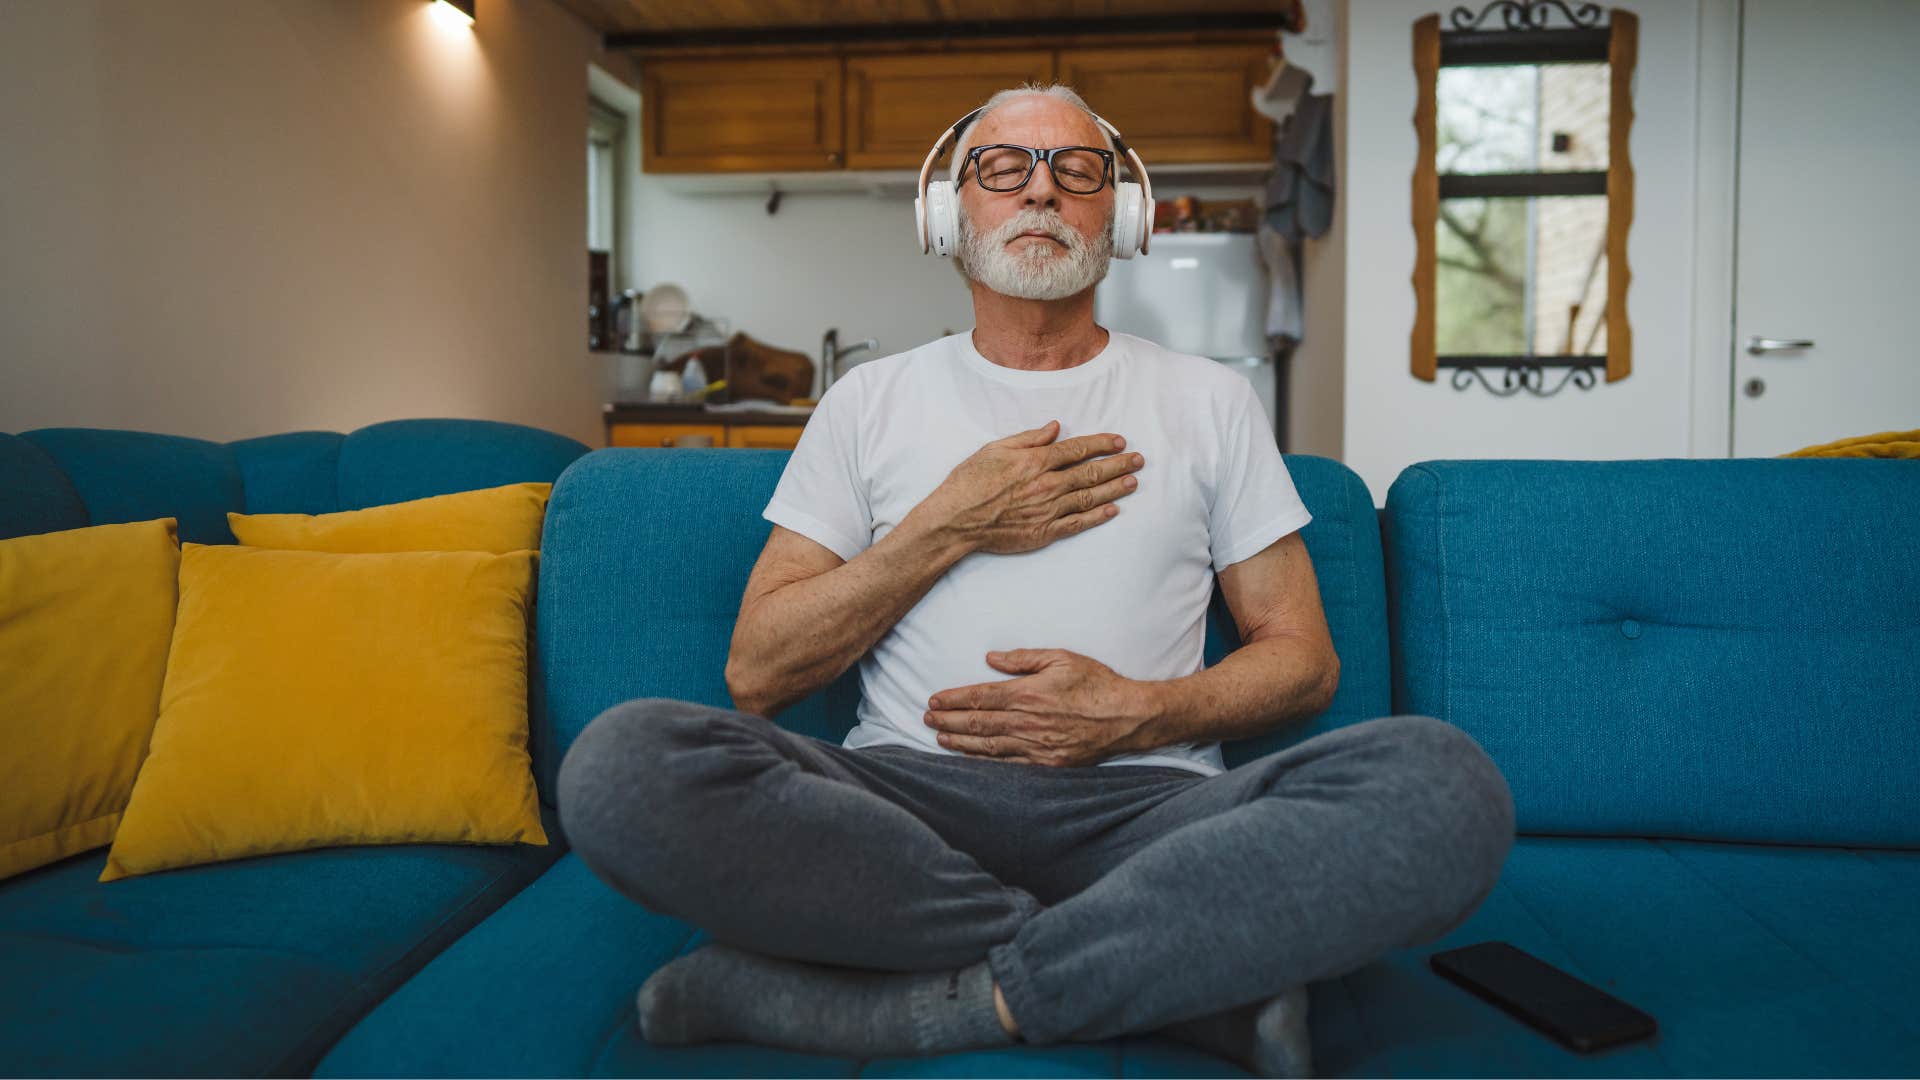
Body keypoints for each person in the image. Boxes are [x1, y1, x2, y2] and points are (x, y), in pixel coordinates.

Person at [557, 84, 1515, 1078]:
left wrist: (1136, 715)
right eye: (1004, 167)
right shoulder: (867, 403)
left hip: (1151, 818)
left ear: (1122, 212)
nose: (1043, 192)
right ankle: (1161, 974)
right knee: (622, 767)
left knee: (1447, 787)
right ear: (948, 212)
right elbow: (758, 671)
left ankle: (933, 1004)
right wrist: (950, 524)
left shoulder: (1212, 402)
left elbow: (1304, 663)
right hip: (899, 814)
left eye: (1078, 168)